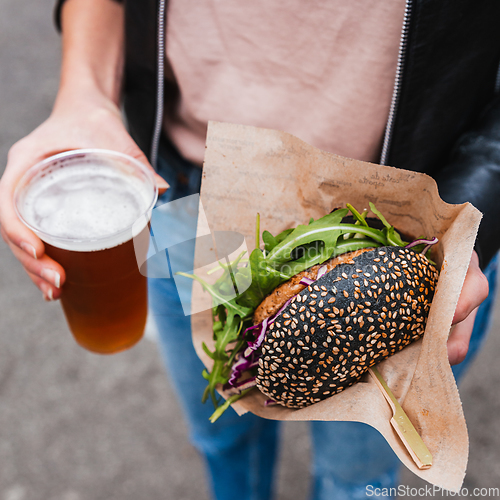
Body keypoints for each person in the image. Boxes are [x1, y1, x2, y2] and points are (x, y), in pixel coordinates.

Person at [0, 1, 498, 498]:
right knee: (222, 438)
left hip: (403, 235)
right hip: (187, 195)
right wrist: (83, 94)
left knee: (356, 480)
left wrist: (472, 209)